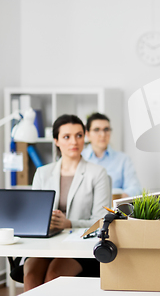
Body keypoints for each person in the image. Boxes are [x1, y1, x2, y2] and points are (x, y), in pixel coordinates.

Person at [23, 114, 111, 291]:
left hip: (80, 247)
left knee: (54, 275)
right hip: (46, 244)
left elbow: (102, 221)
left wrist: (68, 223)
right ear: (56, 140)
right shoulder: (42, 173)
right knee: (31, 276)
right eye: (66, 137)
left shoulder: (98, 173)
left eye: (79, 135)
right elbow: (34, 216)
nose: (74, 142)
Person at [82, 112, 142, 198]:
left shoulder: (123, 159)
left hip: (113, 208)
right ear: (87, 134)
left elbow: (135, 188)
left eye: (106, 129)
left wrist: (116, 198)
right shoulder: (80, 158)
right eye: (96, 130)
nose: (102, 134)